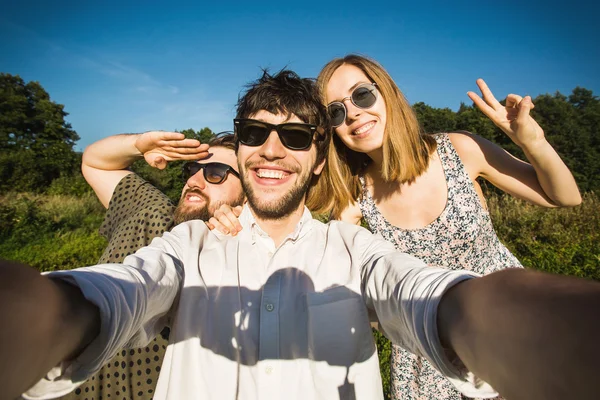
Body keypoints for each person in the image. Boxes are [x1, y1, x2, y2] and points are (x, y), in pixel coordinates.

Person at [2, 69, 599, 400]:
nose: (270, 148)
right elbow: (110, 293)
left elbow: (444, 301)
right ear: (236, 149)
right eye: (253, 133)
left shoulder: (356, 242)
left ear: (317, 159)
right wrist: (41, 317)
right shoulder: (190, 245)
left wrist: (567, 339)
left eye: (294, 137)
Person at [311, 54, 582, 399]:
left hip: (510, 331)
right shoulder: (355, 195)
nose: (353, 114)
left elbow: (565, 197)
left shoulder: (459, 149)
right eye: (336, 111)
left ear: (387, 93)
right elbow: (354, 295)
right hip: (427, 360)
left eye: (362, 95)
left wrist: (532, 141)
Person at [59, 132, 244, 400]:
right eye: (192, 169)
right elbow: (94, 162)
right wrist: (138, 145)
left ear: (248, 196)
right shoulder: (148, 209)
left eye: (215, 173)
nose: (194, 181)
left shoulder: (244, 260)